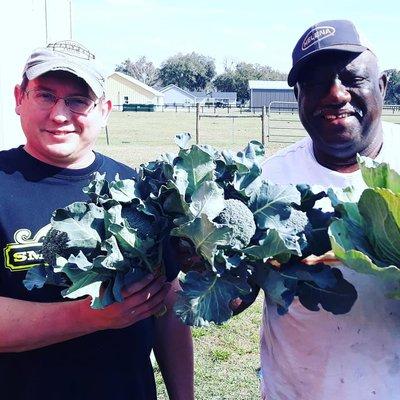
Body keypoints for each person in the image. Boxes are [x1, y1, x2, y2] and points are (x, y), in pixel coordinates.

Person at [0, 40, 193, 400]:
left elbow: (167, 303)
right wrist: (91, 317)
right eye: (45, 95)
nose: (60, 115)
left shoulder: (139, 189)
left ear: (104, 110)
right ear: (19, 98)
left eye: (77, 100)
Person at [259, 20, 400, 399]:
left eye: (352, 79)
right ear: (298, 96)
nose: (335, 94)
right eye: (316, 83)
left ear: (382, 85)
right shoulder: (268, 182)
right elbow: (237, 295)